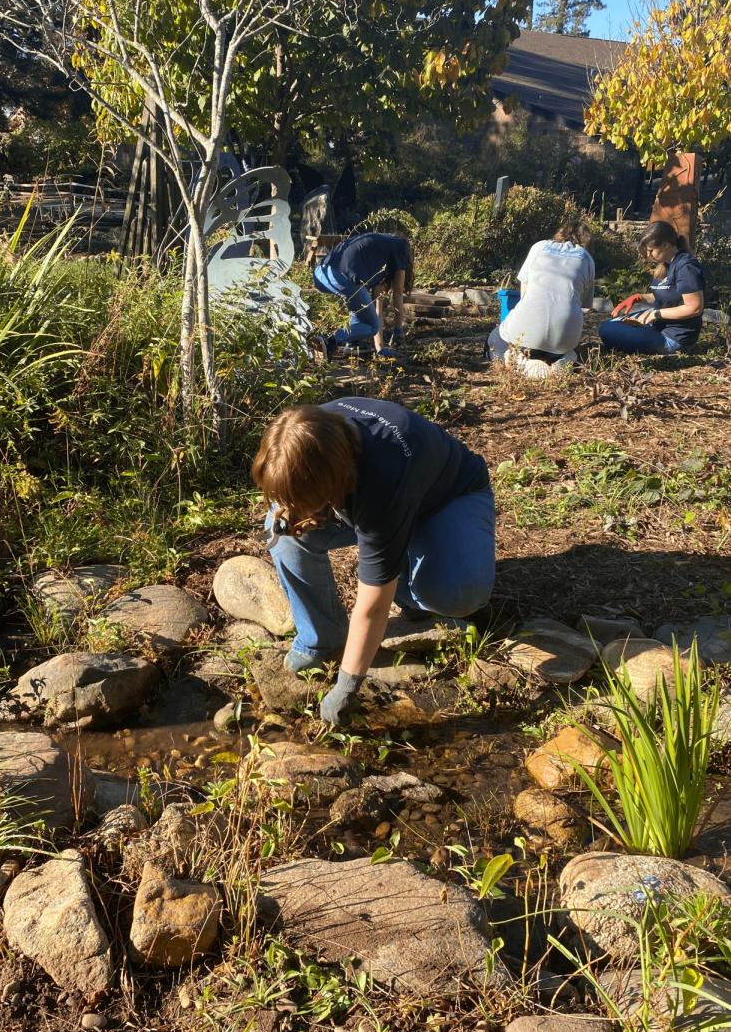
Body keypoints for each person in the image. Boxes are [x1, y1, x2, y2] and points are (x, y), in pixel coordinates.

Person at [252, 398, 494, 724]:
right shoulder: (307, 435)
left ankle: (414, 584)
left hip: (446, 499)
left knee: (457, 593)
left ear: (331, 484)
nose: (289, 507)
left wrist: (346, 687)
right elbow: (289, 498)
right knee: (280, 529)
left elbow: (373, 608)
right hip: (375, 497)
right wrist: (288, 513)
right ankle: (321, 637)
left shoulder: (380, 480)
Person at [485, 220, 596, 378]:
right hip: (564, 339)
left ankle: (521, 364)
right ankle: (564, 359)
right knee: (558, 344)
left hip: (525, 331)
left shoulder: (539, 247)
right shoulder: (587, 259)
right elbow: (582, 305)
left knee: (493, 342)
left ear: (560, 234)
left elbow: (524, 296)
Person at [598, 221, 705, 356]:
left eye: (650, 251)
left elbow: (694, 307)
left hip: (673, 338)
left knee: (607, 332)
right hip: (658, 324)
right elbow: (669, 294)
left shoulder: (686, 267)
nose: (648, 257)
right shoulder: (667, 264)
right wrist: (639, 298)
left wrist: (655, 314)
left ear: (665, 244)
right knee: (606, 326)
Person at [310, 233, 414, 360]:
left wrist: (380, 349)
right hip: (341, 277)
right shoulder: (401, 246)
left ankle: (353, 343)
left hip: (320, 274)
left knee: (360, 299)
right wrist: (398, 330)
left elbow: (376, 305)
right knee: (372, 326)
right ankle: (329, 340)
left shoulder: (379, 249)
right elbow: (397, 294)